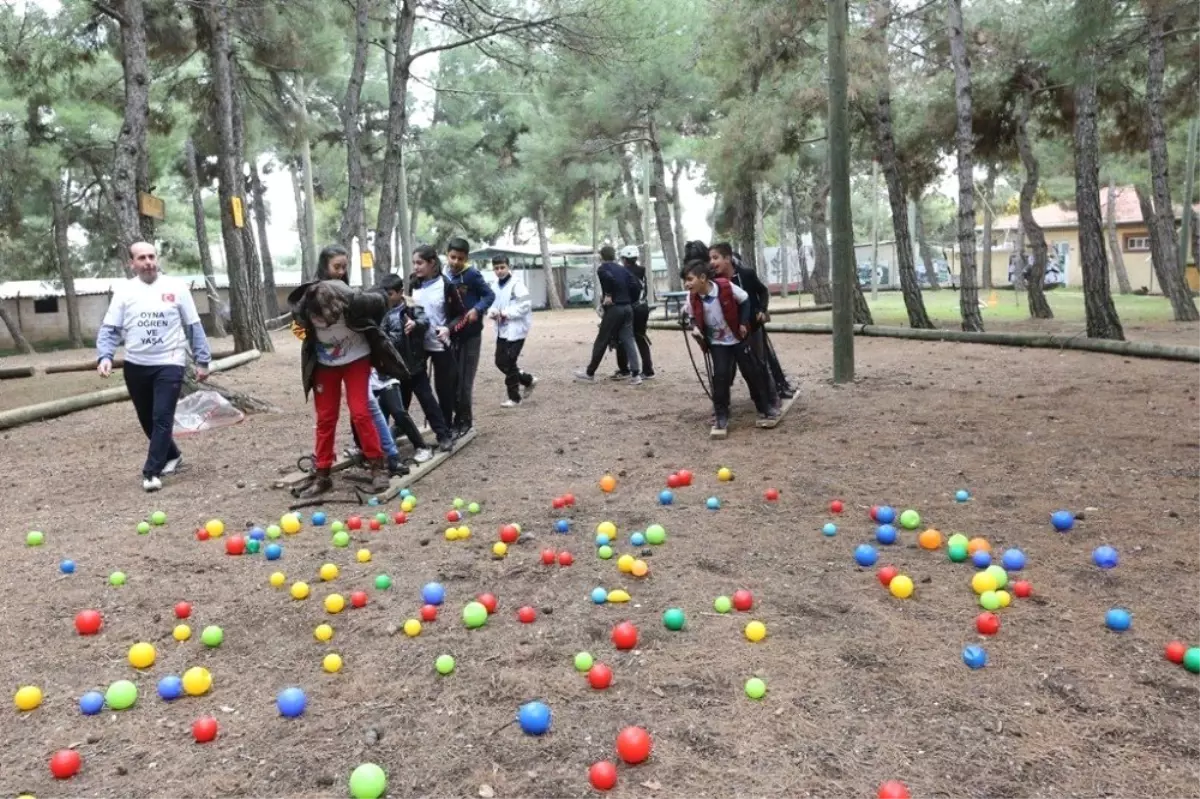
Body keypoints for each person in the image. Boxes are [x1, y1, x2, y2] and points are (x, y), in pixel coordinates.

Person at [287, 245, 410, 498]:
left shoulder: (354, 295)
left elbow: (379, 302)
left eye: (345, 267)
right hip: (325, 363)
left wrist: (351, 299)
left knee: (361, 412)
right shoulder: (309, 296)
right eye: (336, 267)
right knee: (325, 418)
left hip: (357, 358)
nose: (341, 272)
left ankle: (378, 467)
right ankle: (322, 475)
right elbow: (297, 316)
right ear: (324, 267)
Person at [96, 241, 212, 492]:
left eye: (151, 256)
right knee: (147, 418)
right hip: (136, 364)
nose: (148, 262)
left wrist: (203, 360)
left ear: (156, 259)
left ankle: (151, 472)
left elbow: (193, 325)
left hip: (169, 362)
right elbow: (110, 329)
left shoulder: (176, 287)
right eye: (141, 258)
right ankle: (172, 455)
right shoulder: (125, 291)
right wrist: (105, 356)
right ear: (132, 263)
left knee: (162, 416)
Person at [680, 259, 777, 432]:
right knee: (721, 377)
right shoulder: (692, 297)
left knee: (751, 372)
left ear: (702, 278)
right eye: (685, 280)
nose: (687, 284)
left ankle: (764, 407)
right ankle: (721, 414)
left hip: (737, 337)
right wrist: (695, 327)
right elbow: (691, 315)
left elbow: (745, 300)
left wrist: (742, 322)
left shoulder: (724, 286)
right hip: (718, 343)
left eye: (689, 279)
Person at [379, 273, 454, 453]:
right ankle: (395, 431)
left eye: (390, 294)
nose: (387, 298)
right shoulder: (383, 312)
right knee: (397, 406)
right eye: (385, 294)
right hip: (396, 370)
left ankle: (443, 435)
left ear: (400, 292)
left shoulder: (413, 308)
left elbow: (424, 321)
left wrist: (415, 324)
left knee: (428, 402)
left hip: (415, 368)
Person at [710, 242, 794, 404]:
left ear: (727, 258)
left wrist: (762, 309)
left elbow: (762, 291)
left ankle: (770, 399)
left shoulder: (746, 274)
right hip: (727, 332)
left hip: (752, 327)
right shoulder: (714, 281)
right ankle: (721, 406)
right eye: (710, 259)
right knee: (725, 369)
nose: (712, 262)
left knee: (759, 363)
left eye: (715, 258)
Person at [409, 245, 466, 432]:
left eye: (419, 263)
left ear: (432, 263)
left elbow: (461, 314)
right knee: (410, 383)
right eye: (414, 263)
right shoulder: (413, 283)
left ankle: (447, 427)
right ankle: (404, 426)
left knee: (444, 389)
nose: (416, 267)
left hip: (440, 344)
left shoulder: (446, 285)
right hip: (417, 344)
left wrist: (448, 329)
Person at [445, 238, 495, 436]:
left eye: (460, 258)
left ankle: (465, 421)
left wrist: (477, 309)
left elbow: (489, 295)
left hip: (470, 335)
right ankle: (454, 419)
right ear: (447, 255)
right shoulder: (445, 276)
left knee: (465, 381)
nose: (456, 262)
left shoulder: (472, 275)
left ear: (466, 258)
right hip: (451, 334)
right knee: (452, 380)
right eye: (452, 257)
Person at [575, 245, 642, 384]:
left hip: (615, 308)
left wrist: (609, 295)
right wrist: (631, 299)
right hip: (628, 308)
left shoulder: (603, 269)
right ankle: (636, 374)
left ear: (601, 256)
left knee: (602, 339)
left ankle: (590, 373)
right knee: (628, 339)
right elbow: (635, 284)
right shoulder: (623, 269)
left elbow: (609, 278)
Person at [486, 254, 537, 407]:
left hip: (517, 330)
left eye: (502, 267)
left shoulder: (518, 285)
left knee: (509, 360)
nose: (499, 271)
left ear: (509, 267)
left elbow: (525, 305)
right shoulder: (494, 285)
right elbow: (493, 304)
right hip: (502, 329)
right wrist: (493, 312)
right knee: (500, 361)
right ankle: (528, 380)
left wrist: (506, 313)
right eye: (496, 268)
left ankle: (514, 398)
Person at [611, 245, 654, 380]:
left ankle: (624, 370)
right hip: (642, 307)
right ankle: (648, 370)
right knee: (640, 337)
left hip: (629, 308)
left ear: (624, 259)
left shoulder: (622, 272)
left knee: (622, 338)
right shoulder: (643, 270)